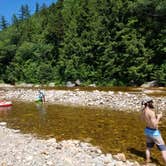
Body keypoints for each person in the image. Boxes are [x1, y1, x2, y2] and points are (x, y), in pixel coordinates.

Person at [141, 98, 166, 164]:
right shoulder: (151, 112)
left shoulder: (143, 111)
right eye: (151, 102)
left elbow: (142, 119)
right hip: (154, 133)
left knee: (148, 147)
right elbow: (154, 125)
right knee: (163, 149)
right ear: (148, 103)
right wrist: (158, 117)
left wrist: (152, 119)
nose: (152, 104)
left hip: (147, 131)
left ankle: (148, 160)